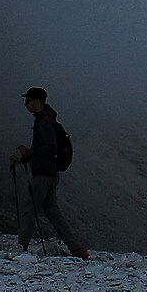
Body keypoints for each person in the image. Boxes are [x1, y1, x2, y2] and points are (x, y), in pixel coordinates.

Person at [12, 87, 89, 260]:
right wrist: (22, 159)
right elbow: (46, 149)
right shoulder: (46, 120)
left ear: (38, 101)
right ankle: (78, 250)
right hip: (51, 174)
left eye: (29, 100)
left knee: (28, 208)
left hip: (42, 176)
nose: (26, 105)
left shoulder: (44, 121)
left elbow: (49, 147)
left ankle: (21, 248)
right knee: (54, 214)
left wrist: (29, 153)